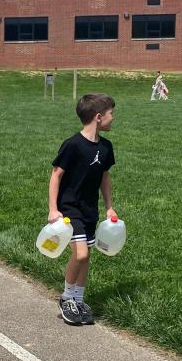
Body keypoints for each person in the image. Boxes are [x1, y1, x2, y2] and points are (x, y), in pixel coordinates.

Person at [47, 93, 117, 327]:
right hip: (70, 209)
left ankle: (78, 298)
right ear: (98, 117)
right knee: (81, 254)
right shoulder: (73, 145)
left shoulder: (106, 147)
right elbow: (56, 175)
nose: (113, 118)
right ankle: (66, 298)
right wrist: (53, 209)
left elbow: (105, 178)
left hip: (90, 209)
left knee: (86, 258)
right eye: (110, 114)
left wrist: (109, 207)